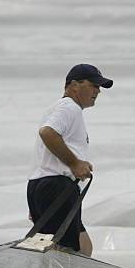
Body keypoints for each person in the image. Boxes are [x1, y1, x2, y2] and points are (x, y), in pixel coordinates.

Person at [27, 64, 113, 257]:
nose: (98, 91)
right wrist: (75, 163)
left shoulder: (58, 108)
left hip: (44, 185)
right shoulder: (69, 107)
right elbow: (47, 133)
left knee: (83, 247)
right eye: (94, 85)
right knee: (63, 254)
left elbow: (44, 151)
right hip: (56, 187)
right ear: (74, 85)